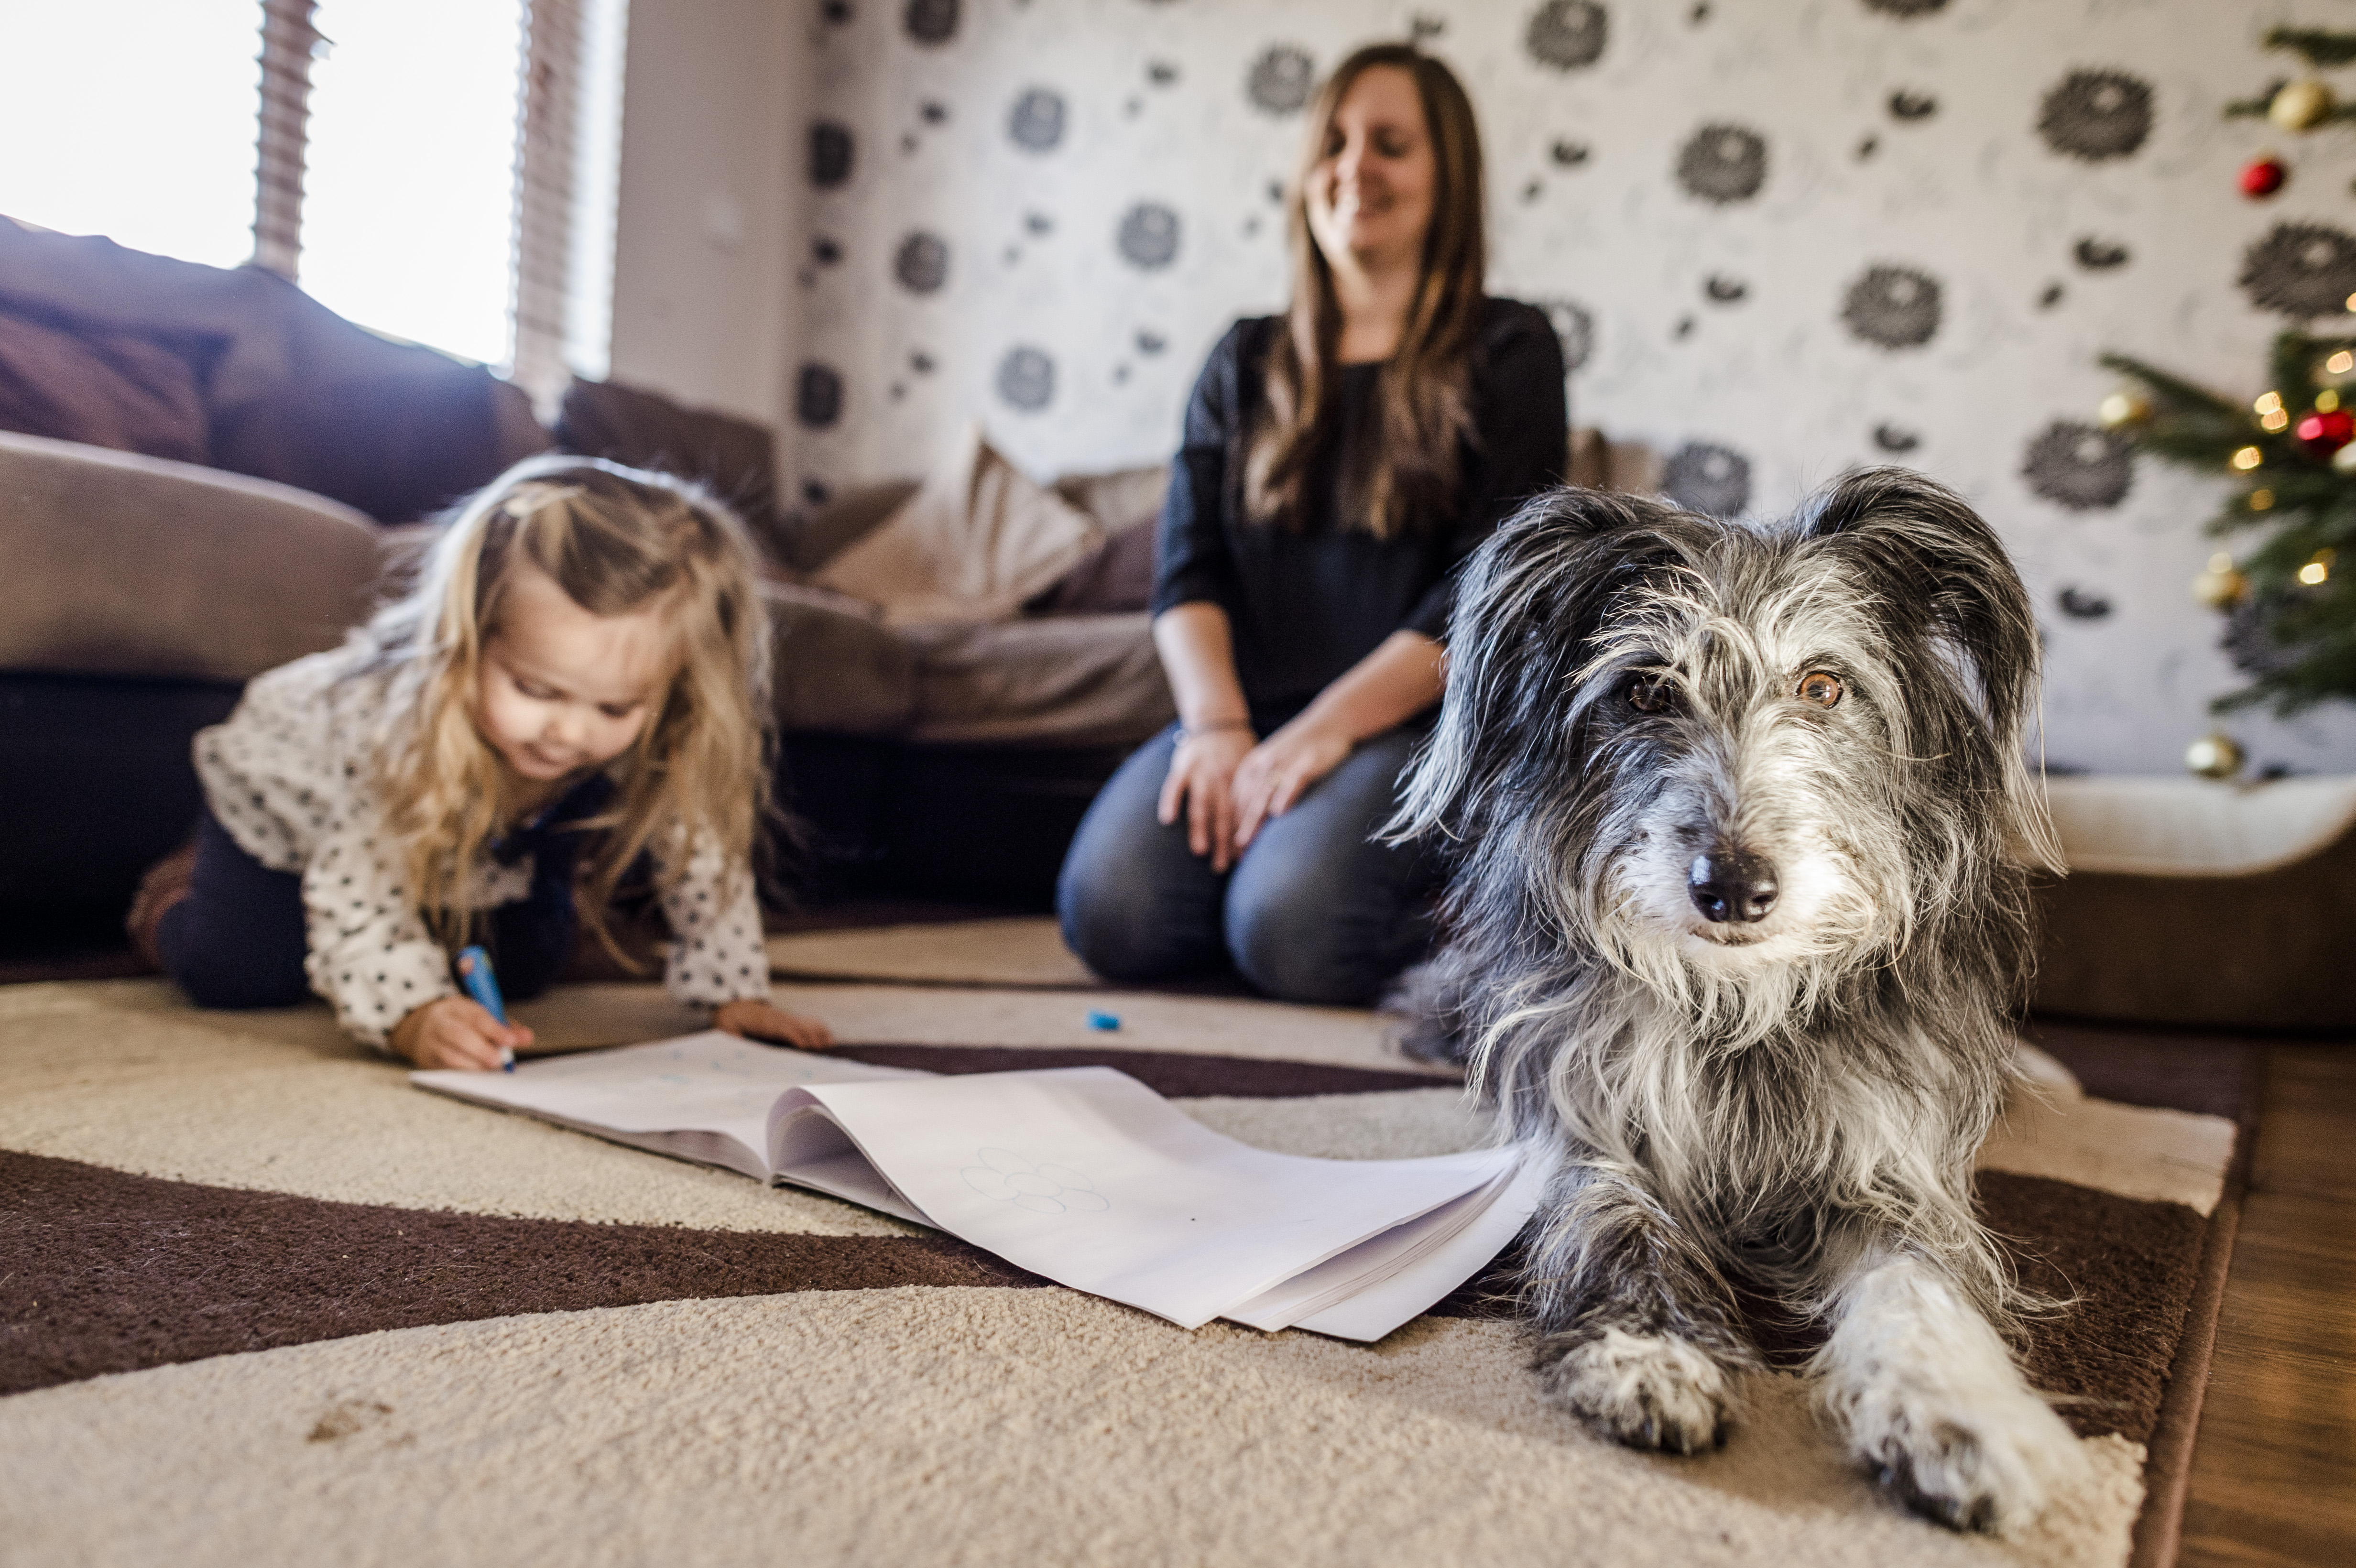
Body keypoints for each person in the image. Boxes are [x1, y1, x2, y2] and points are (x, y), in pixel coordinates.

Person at [1057, 42, 1569, 1005]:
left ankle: (1400, 909)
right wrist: (1216, 728)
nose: (1353, 167)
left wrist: (1323, 732)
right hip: (1240, 714)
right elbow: (1187, 575)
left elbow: (1485, 600)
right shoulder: (1241, 358)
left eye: (1390, 144)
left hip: (1409, 730)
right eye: (1333, 141)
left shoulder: (1512, 349)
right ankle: (1256, 880)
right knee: (1113, 914)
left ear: (1446, 177)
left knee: (1291, 933)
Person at [130, 456, 833, 1069]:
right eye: (535, 689)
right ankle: (176, 887)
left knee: (525, 971)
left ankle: (467, 903)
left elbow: (699, 846)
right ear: (469, 638)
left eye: (613, 709)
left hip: (485, 820)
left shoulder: (644, 722)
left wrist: (736, 993)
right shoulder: (398, 724)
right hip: (300, 817)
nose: (566, 732)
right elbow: (362, 889)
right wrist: (412, 1017)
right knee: (243, 971)